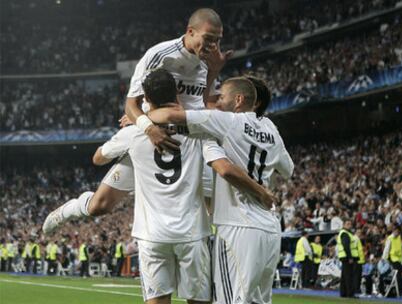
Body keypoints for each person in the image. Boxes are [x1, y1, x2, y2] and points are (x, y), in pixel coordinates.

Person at [42, 8, 231, 236]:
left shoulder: (209, 61)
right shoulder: (160, 55)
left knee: (216, 207)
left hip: (191, 143)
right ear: (191, 32)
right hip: (151, 140)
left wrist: (214, 70)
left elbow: (203, 104)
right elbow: (131, 105)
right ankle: (66, 211)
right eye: (208, 39)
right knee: (101, 206)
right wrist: (148, 127)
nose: (212, 46)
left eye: (217, 41)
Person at [92, 69, 275, 304]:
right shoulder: (199, 129)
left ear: (146, 98)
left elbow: (98, 158)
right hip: (192, 233)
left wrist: (139, 122)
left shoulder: (133, 132)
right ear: (178, 92)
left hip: (152, 235)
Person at [147, 76, 294, 304]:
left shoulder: (225, 123)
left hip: (238, 227)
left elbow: (166, 116)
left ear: (238, 100)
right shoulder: (271, 128)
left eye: (222, 97)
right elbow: (288, 169)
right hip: (270, 229)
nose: (217, 101)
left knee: (228, 300)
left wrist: (141, 121)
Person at [382, 225, 402, 295]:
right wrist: (384, 259)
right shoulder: (390, 238)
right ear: (393, 231)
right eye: (396, 232)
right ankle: (400, 291)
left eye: (398, 232)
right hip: (393, 259)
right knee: (398, 274)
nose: (397, 233)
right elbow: (387, 249)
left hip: (399, 260)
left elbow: (401, 249)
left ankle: (401, 290)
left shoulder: (399, 238)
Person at [337, 219, 358, 298]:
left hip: (344, 256)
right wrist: (350, 257)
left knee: (344, 276)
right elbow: (346, 246)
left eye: (350, 224)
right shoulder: (345, 234)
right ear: (344, 225)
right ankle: (350, 294)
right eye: (348, 224)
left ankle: (343, 293)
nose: (350, 225)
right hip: (347, 257)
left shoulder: (344, 233)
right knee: (349, 276)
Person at [354, 229, 365, 294]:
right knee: (357, 276)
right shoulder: (356, 239)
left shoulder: (358, 239)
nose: (360, 233)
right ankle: (356, 289)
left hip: (359, 260)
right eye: (358, 232)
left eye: (360, 232)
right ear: (356, 232)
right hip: (357, 261)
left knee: (358, 276)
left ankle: (357, 289)